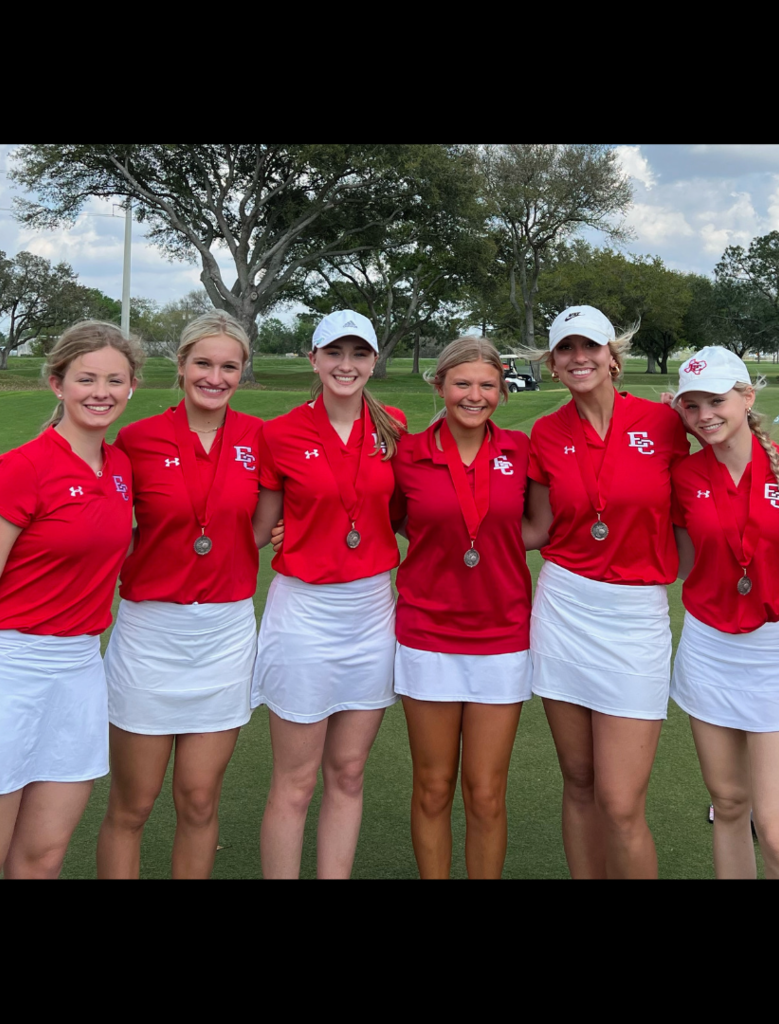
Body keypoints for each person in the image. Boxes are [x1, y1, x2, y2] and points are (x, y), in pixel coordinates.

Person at [0, 321, 142, 879]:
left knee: (42, 856)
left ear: (132, 387)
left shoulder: (119, 468)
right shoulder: (20, 468)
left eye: (114, 380)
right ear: (57, 384)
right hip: (4, 672)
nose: (101, 393)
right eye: (86, 379)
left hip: (79, 670)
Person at [522, 305, 690, 879]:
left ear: (612, 357)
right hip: (564, 608)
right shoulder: (545, 433)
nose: (579, 358)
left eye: (589, 347)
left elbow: (728, 450)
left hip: (635, 616)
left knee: (620, 803)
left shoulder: (665, 423)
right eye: (565, 349)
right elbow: (539, 527)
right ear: (552, 364)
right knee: (579, 782)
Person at [96, 312, 262, 880]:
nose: (215, 377)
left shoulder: (258, 437)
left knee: (198, 800)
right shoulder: (136, 440)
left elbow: (267, 521)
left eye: (228, 367)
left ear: (242, 371)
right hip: (151, 634)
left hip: (224, 635)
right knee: (133, 805)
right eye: (203, 364)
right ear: (182, 364)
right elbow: (109, 527)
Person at [251, 309, 406, 879]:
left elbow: (401, 513)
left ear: (373, 361)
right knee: (295, 782)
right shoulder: (279, 433)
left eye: (359, 353)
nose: (347, 365)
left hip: (372, 613)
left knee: (348, 774)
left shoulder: (393, 428)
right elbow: (261, 524)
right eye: (334, 353)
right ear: (313, 359)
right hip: (305, 614)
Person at [668, 347, 779, 880]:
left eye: (716, 401)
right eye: (691, 405)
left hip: (777, 655)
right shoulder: (684, 475)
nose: (704, 415)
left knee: (776, 831)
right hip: (709, 649)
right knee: (728, 804)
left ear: (747, 397)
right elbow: (686, 563)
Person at [390, 336, 531, 879]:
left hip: (502, 634)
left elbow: (545, 522)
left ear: (502, 389)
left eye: (487, 385)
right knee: (432, 787)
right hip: (428, 634)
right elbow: (385, 518)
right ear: (440, 385)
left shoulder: (521, 450)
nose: (475, 396)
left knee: (487, 791)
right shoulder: (408, 453)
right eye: (462, 384)